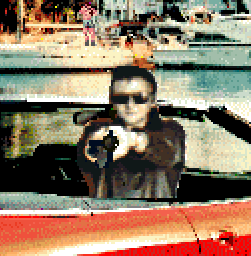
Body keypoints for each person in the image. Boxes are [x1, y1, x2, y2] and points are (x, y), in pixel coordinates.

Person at [76, 65, 185, 199]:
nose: (130, 105)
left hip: (155, 211)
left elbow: (169, 153)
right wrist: (105, 142)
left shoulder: (171, 131)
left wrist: (134, 140)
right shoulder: (98, 130)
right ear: (112, 101)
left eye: (139, 98)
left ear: (152, 100)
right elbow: (91, 157)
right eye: (121, 98)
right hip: (105, 210)